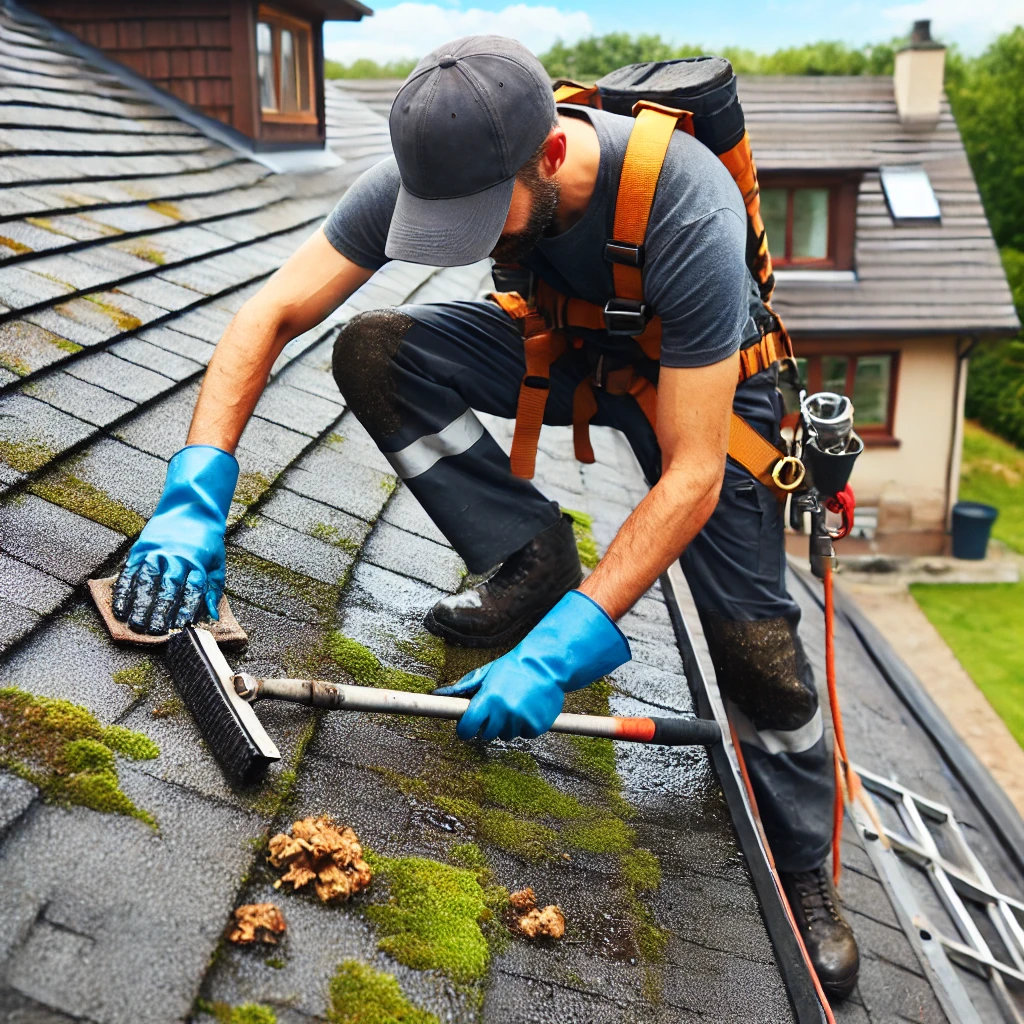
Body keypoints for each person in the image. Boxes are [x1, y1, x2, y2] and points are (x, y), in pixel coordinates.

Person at [112, 35, 859, 997]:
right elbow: (271, 312)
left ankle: (802, 862)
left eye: (477, 219)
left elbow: (693, 478)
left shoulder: (687, 206)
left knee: (757, 647)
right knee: (376, 349)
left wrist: (564, 652)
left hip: (702, 380)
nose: (459, 238)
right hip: (571, 345)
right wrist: (194, 491)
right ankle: (528, 555)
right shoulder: (439, 167)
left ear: (549, 156)